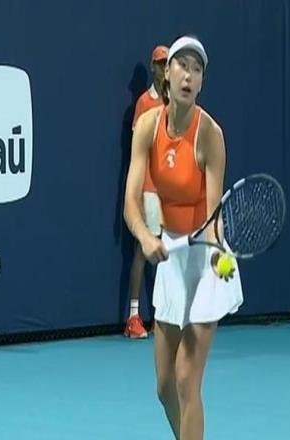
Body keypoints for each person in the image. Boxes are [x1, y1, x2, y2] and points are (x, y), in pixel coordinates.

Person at [124, 35, 243, 439]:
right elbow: (130, 203)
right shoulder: (147, 127)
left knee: (186, 379)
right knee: (164, 387)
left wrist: (214, 251)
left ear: (202, 81)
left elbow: (212, 216)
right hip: (172, 259)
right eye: (182, 66)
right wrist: (145, 237)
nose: (189, 76)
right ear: (167, 74)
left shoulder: (210, 135)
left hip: (207, 260)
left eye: (197, 69)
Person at [125, 45, 169, 339]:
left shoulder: (175, 102)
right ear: (153, 68)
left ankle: (163, 314)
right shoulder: (143, 102)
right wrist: (138, 192)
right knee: (143, 251)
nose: (164, 69)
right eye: (160, 64)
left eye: (167, 64)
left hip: (170, 190)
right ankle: (133, 317)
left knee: (167, 252)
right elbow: (138, 152)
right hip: (149, 189)